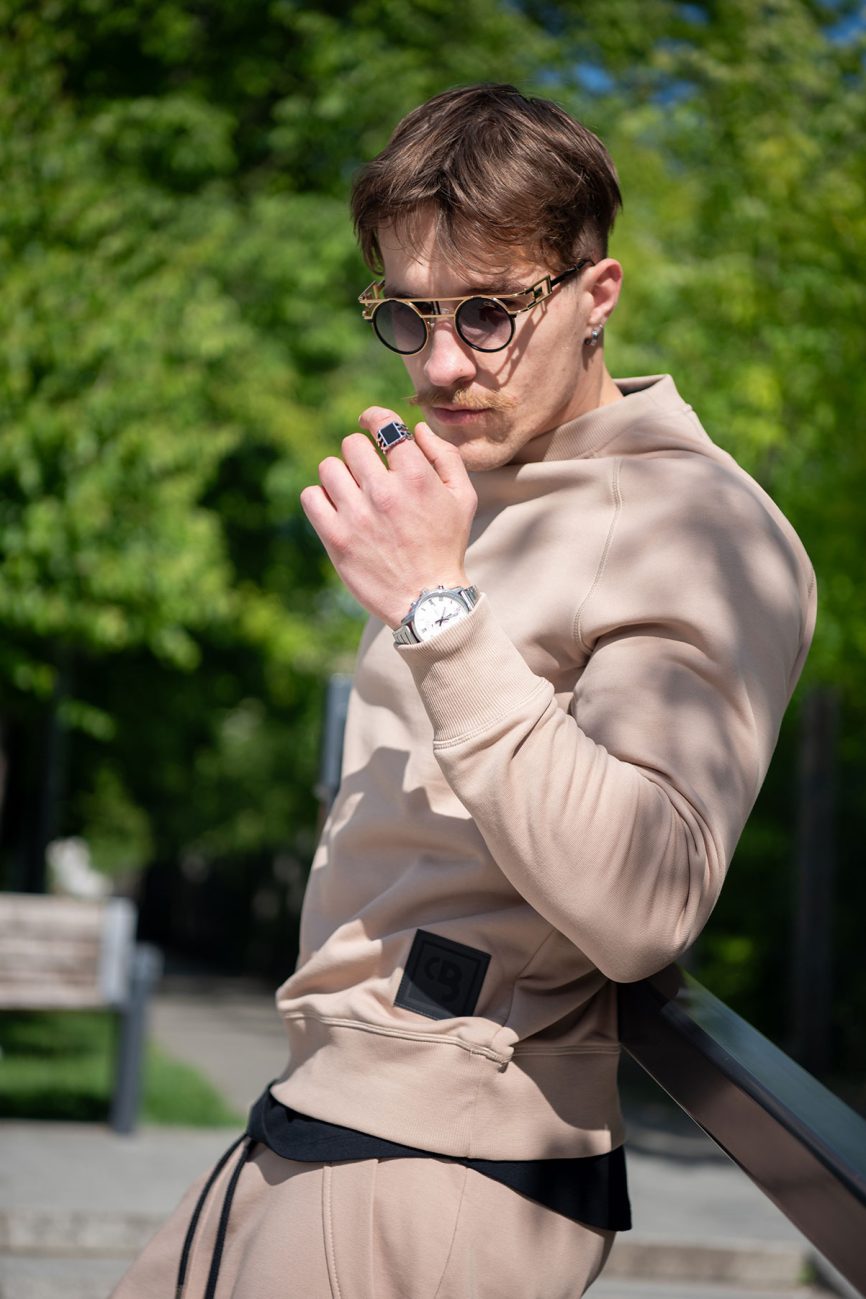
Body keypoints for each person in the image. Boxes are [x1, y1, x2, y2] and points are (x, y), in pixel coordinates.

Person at [113, 83, 816, 1299]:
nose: (441, 363)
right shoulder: (475, 486)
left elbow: (646, 901)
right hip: (310, 1116)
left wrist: (435, 610)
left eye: (489, 312)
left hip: (435, 1168)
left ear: (596, 294)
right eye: (408, 314)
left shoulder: (699, 527)